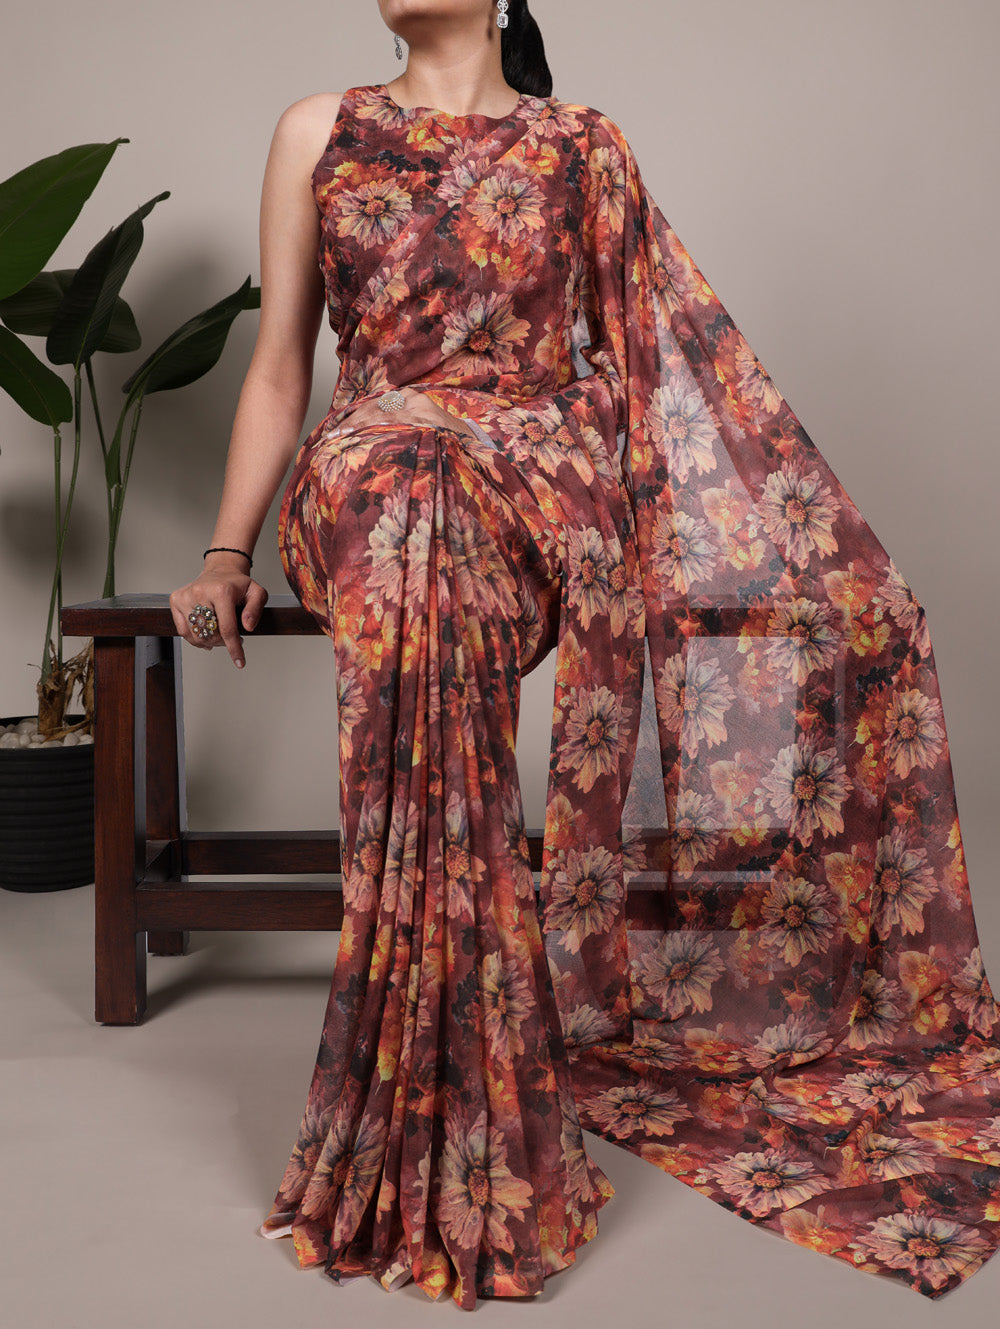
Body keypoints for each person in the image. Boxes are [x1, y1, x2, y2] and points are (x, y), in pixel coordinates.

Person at [169, 0, 1000, 1309]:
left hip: (531, 492)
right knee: (408, 494)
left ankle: (412, 1117)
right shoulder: (317, 131)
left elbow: (666, 370)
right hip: (368, 482)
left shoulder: (580, 149)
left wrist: (829, 562)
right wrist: (225, 552)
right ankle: (477, 1109)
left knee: (439, 504)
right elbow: (281, 369)